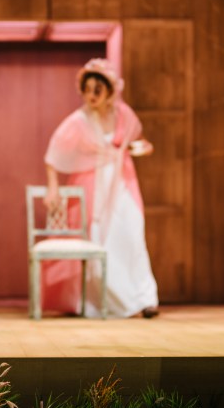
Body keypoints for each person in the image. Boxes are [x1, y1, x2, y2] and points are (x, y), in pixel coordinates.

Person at [42, 58, 159, 318]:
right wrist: (52, 188)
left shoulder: (123, 115)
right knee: (101, 241)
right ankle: (106, 301)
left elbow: (138, 141)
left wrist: (141, 148)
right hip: (92, 188)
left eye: (98, 89)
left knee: (132, 237)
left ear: (109, 91)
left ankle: (144, 299)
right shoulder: (78, 121)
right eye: (88, 89)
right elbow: (53, 156)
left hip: (123, 184)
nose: (92, 95)